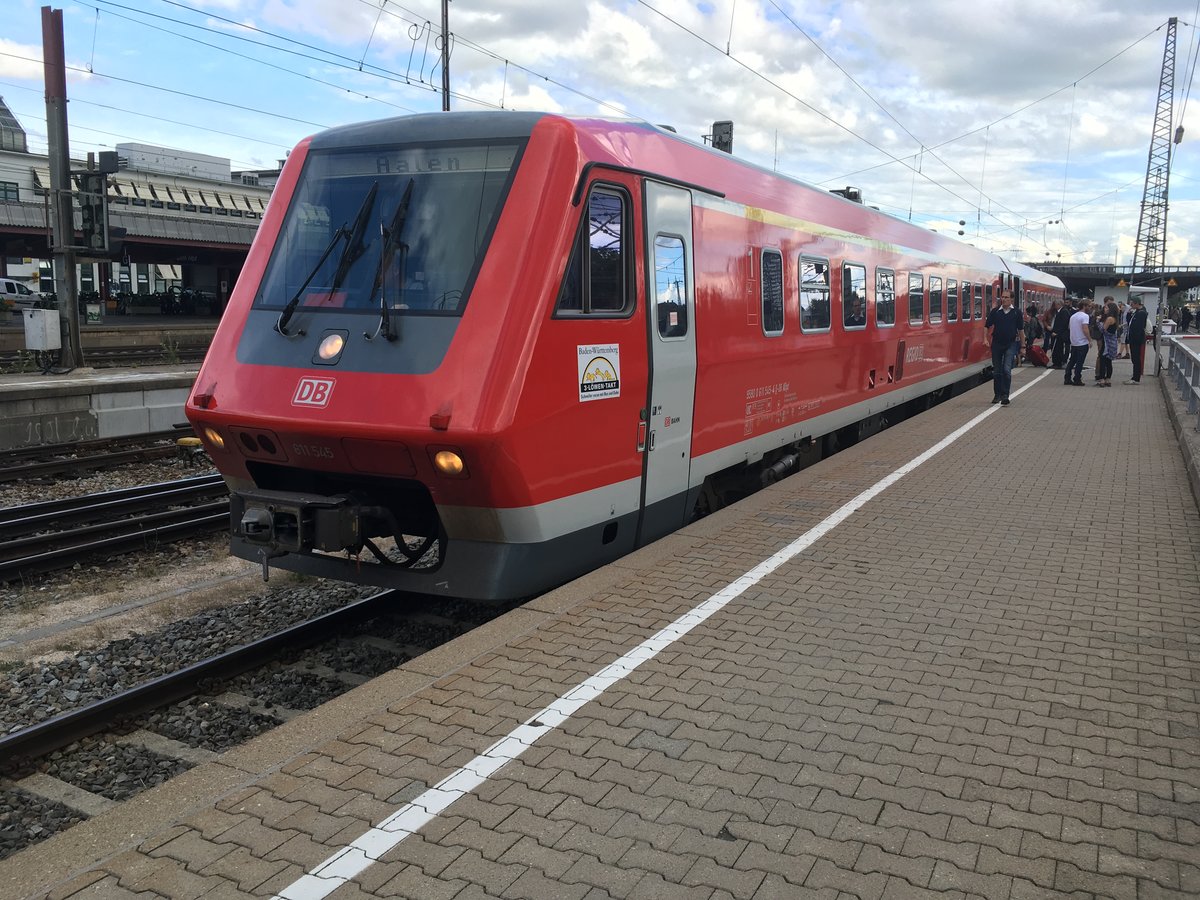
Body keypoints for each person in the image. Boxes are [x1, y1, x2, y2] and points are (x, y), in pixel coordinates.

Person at [985, 289, 1022, 405]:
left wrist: (1023, 346)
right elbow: (987, 325)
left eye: (1006, 297)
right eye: (1002, 297)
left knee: (1006, 370)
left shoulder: (1016, 312)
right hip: (997, 344)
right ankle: (997, 395)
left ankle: (1005, 395)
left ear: (1011, 299)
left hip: (1010, 344)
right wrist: (984, 339)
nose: (1004, 299)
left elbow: (1021, 330)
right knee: (997, 371)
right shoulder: (996, 312)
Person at [1065, 299, 1091, 386]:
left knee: (1072, 360)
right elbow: (1085, 329)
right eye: (1089, 306)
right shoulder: (1085, 316)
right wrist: (1089, 339)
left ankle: (1067, 378)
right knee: (1080, 362)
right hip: (1082, 342)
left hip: (1074, 342)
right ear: (1084, 306)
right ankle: (1077, 379)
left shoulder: (1073, 316)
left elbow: (1069, 327)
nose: (1089, 308)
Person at [1124, 297, 1149, 384]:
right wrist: (1128, 314)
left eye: (1132, 304)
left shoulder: (1141, 313)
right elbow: (1130, 323)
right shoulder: (1137, 312)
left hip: (1136, 340)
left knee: (1136, 358)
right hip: (1134, 338)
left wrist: (1133, 338)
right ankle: (1135, 376)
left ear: (1136, 303)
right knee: (1135, 358)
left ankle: (1136, 378)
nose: (1131, 306)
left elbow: (1137, 327)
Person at [1095, 298, 1119, 387]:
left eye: (1106, 308)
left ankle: (1102, 379)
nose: (1104, 309)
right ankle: (1108, 379)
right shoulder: (1115, 318)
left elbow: (1103, 330)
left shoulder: (1109, 318)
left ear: (1110, 309)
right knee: (1108, 362)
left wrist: (1098, 321)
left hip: (1107, 343)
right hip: (1112, 342)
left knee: (1102, 360)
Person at [1051, 298, 1074, 368]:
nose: (1054, 306)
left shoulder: (1064, 312)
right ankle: (1056, 362)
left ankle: (1058, 363)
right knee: (1056, 348)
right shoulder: (1061, 311)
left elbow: (1064, 324)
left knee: (1058, 348)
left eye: (1055, 304)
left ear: (1059, 304)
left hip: (1060, 334)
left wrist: (1057, 332)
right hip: (1058, 333)